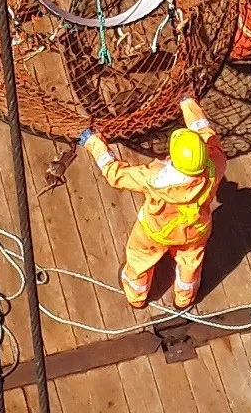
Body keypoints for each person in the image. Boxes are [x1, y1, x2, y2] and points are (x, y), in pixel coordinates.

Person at [78, 97, 226, 309]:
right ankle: (185, 298)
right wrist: (188, 104)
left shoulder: (153, 179)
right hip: (196, 230)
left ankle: (136, 297)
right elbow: (206, 133)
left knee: (139, 259)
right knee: (191, 263)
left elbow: (115, 173)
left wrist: (93, 142)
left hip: (155, 232)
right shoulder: (215, 164)